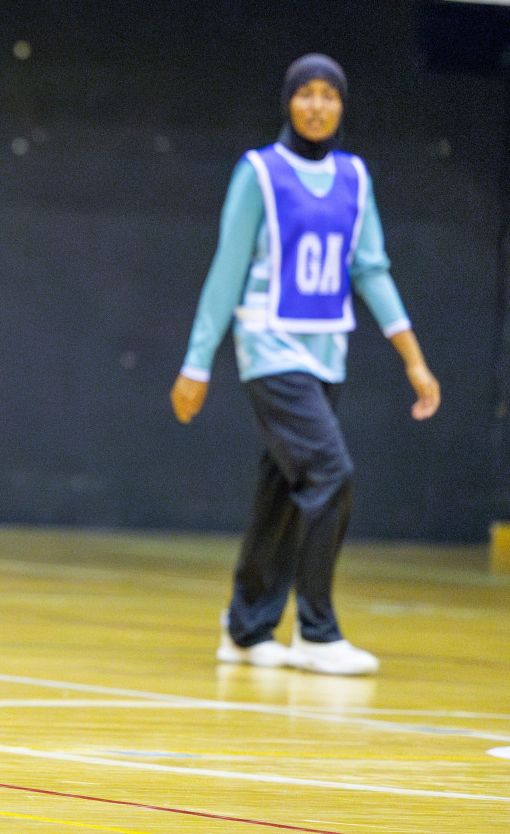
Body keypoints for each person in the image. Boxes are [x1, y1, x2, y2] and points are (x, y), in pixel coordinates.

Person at [170, 53, 440, 676]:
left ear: (342, 106)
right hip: (269, 347)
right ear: (288, 102)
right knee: (331, 474)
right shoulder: (259, 173)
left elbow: (371, 271)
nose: (317, 104)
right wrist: (197, 362)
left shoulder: (355, 177)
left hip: (327, 352)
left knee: (284, 491)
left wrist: (415, 363)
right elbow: (227, 269)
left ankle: (246, 628)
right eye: (306, 93)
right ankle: (317, 631)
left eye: (330, 95)